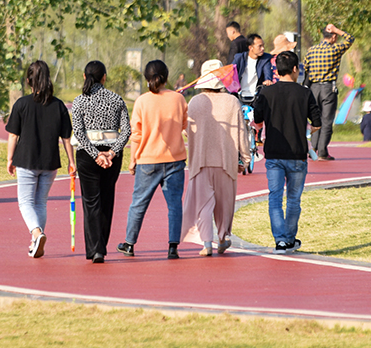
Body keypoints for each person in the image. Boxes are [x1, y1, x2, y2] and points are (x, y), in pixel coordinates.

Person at [118, 60, 188, 260]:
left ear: (146, 78)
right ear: (166, 77)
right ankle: (173, 246)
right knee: (174, 204)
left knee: (138, 203)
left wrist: (132, 161)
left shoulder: (142, 101)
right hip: (175, 159)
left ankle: (129, 243)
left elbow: (136, 135)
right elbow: (183, 125)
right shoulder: (179, 99)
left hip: (147, 159)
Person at [6, 60, 76, 258]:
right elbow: (66, 137)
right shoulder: (59, 106)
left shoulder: (21, 104)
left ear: (28, 80)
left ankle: (36, 233)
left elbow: (13, 135)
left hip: (26, 160)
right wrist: (72, 161)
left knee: (25, 202)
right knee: (40, 203)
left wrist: (9, 158)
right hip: (49, 161)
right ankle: (36, 241)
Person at [252, 51, 320, 252]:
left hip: (273, 153)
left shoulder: (267, 93)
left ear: (276, 70)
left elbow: (257, 120)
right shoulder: (305, 93)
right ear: (295, 69)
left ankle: (280, 239)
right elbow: (317, 122)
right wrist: (305, 127)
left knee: (274, 197)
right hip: (297, 153)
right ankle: (290, 238)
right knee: (293, 199)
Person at [182, 60, 248, 257]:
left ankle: (206, 243)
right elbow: (241, 133)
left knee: (203, 203)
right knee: (224, 204)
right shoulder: (232, 102)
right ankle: (222, 238)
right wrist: (244, 158)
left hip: (200, 161)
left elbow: (187, 131)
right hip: (226, 161)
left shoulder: (195, 102)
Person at [69, 60, 131, 264]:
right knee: (106, 199)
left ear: (85, 77)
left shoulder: (78, 101)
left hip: (88, 155)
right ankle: (100, 246)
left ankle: (96, 249)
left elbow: (78, 132)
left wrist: (95, 154)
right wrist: (112, 153)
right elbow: (127, 131)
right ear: (104, 77)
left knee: (91, 201)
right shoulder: (117, 99)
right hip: (113, 154)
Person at [302, 23, 355, 161]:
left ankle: (313, 148)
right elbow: (350, 39)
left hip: (313, 88)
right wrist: (337, 30)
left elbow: (306, 67)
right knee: (326, 120)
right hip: (328, 89)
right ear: (333, 37)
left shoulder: (311, 50)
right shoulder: (335, 49)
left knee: (315, 118)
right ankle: (322, 152)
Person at [233, 33, 274, 103]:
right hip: (239, 96)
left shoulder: (265, 59)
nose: (263, 48)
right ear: (250, 47)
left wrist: (268, 80)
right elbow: (231, 72)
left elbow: (267, 73)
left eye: (263, 46)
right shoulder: (239, 58)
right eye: (260, 46)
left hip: (256, 97)